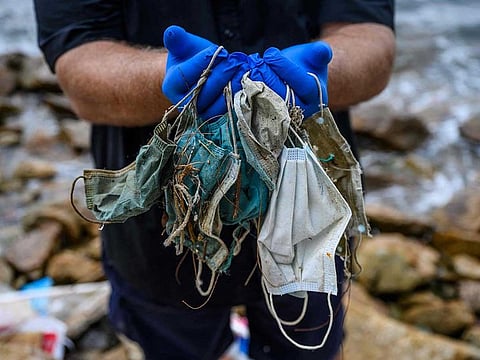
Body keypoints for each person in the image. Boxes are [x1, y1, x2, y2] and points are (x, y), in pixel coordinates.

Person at [33, 1, 395, 359]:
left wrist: (331, 70)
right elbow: (79, 59)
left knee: (309, 345)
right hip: (159, 234)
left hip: (310, 217)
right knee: (173, 343)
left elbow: (369, 35)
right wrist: (162, 81)